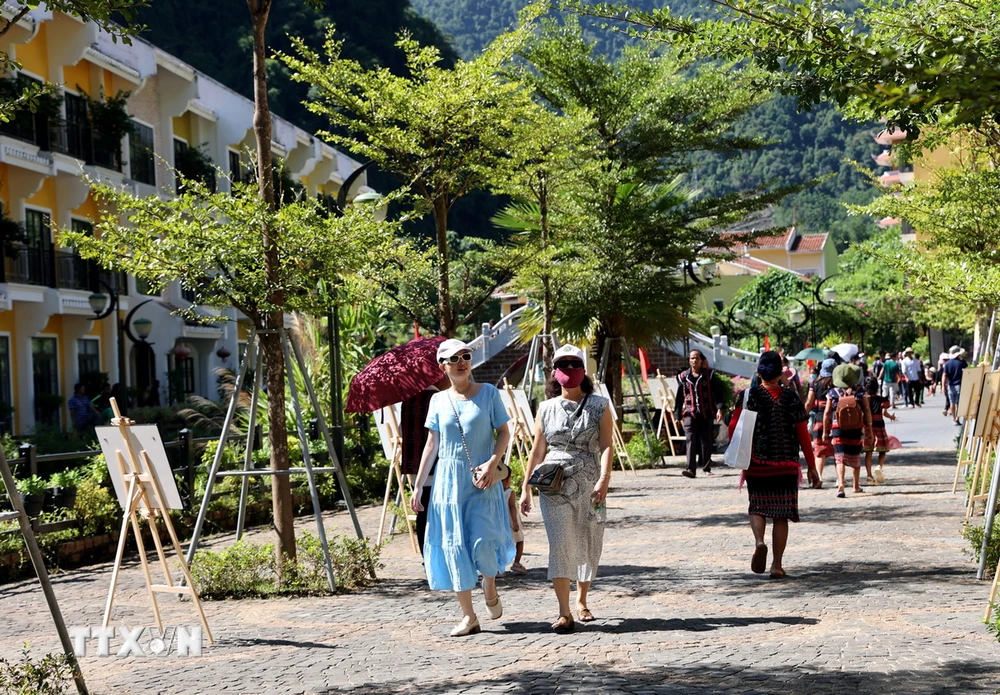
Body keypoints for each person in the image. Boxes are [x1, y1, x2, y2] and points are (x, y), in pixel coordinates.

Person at [410, 339, 514, 637]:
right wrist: (419, 486)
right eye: (453, 358)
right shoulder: (438, 401)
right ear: (443, 366)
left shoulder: (489, 394)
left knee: (484, 541)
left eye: (465, 356)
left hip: (483, 479)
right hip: (447, 482)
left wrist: (494, 463)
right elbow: (432, 445)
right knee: (454, 547)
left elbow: (504, 431)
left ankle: (490, 581)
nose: (461, 362)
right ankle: (469, 616)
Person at [520, 344, 614, 633]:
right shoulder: (545, 408)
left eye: (575, 364)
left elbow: (607, 444)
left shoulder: (600, 405)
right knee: (560, 544)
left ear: (584, 370)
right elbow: (537, 451)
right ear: (554, 371)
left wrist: (604, 479)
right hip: (554, 484)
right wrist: (525, 488)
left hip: (590, 482)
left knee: (587, 540)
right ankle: (564, 612)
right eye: (563, 364)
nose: (569, 370)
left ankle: (582, 600)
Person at [727, 351, 820, 579]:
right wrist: (812, 467)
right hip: (786, 465)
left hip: (757, 464)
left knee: (757, 507)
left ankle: (759, 541)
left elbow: (732, 428)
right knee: (781, 515)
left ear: (758, 371)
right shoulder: (791, 399)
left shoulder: (749, 396)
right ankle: (777, 565)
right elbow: (803, 437)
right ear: (781, 373)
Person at [401, 375, 451, 556]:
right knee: (440, 512)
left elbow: (401, 430)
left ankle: (426, 556)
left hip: (413, 464)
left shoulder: (407, 401)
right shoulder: (439, 399)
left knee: (422, 513)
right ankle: (440, 555)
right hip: (436, 463)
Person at [822, 363, 873, 498]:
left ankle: (841, 483)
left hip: (838, 428)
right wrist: (870, 429)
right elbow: (867, 410)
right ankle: (855, 486)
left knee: (839, 458)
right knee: (855, 456)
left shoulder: (832, 393)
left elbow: (827, 412)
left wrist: (824, 431)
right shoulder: (860, 392)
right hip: (856, 428)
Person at [676, 350, 725, 478]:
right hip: (689, 413)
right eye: (692, 358)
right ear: (689, 360)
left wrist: (719, 409)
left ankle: (706, 467)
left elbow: (717, 393)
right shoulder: (683, 377)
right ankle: (690, 469)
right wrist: (677, 415)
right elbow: (679, 397)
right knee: (690, 439)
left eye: (696, 358)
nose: (694, 360)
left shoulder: (709, 375)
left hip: (706, 412)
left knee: (706, 441)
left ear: (701, 360)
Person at [804, 359, 836, 486]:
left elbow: (809, 403)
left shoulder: (814, 383)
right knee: (837, 451)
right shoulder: (836, 383)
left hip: (819, 418)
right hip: (834, 419)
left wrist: (803, 416)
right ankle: (840, 479)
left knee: (819, 451)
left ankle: (819, 477)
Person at [862, 375, 896, 485]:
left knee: (869, 451)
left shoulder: (863, 399)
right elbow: (884, 412)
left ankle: (869, 475)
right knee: (882, 450)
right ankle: (879, 466)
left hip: (867, 426)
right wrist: (891, 417)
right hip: (879, 426)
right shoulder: (881, 399)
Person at [502, 469, 526, 574]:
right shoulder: (510, 492)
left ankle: (499, 567)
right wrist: (515, 522)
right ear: (507, 480)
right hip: (511, 521)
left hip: (500, 522)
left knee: (500, 544)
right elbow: (512, 507)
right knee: (519, 541)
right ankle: (516, 563)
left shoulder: (494, 493)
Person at [942, 347, 968, 425]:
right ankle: (957, 417)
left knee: (952, 402)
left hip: (950, 385)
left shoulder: (947, 364)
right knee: (958, 402)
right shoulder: (962, 363)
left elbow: (944, 375)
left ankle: (953, 418)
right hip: (960, 385)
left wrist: (943, 386)